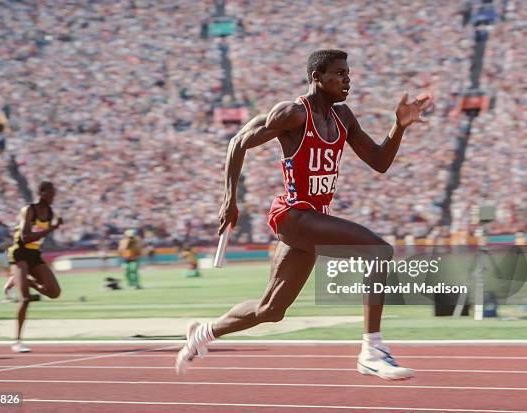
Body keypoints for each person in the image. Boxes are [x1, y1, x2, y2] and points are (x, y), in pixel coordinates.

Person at [176, 49, 433, 379]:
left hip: (313, 218)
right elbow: (238, 142)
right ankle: (372, 350)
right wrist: (230, 199)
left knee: (271, 310)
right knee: (378, 251)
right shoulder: (293, 114)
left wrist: (399, 126)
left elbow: (380, 162)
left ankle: (204, 331)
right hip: (294, 215)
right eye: (339, 73)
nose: (347, 78)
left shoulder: (344, 117)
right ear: (317, 77)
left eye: (348, 72)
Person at [4, 181, 63, 352]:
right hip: (19, 253)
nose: (53, 196)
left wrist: (52, 228)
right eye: (51, 193)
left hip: (34, 255)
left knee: (54, 292)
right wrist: (51, 229)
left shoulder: (50, 212)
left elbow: (39, 239)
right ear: (42, 192)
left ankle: (24, 280)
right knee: (25, 299)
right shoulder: (29, 209)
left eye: (54, 193)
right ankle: (17, 340)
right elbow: (25, 237)